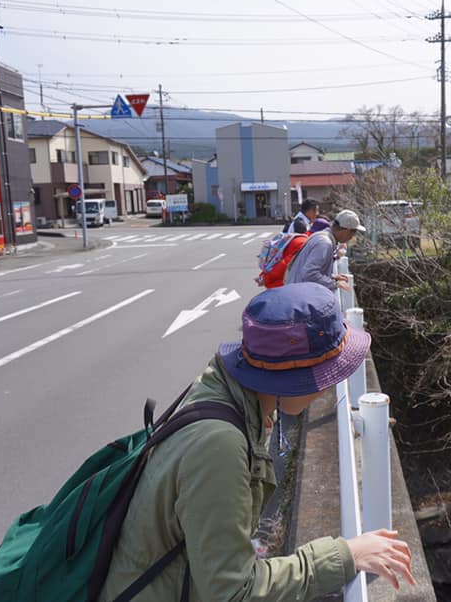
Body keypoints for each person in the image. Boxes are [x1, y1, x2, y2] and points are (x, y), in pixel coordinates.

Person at [99, 283, 415, 601]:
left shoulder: (221, 391)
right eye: (327, 373)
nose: (330, 385)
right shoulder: (219, 446)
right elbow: (233, 591)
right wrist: (345, 555)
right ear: (291, 376)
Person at [284, 209, 365, 292]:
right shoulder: (324, 243)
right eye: (353, 232)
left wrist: (332, 276)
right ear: (346, 231)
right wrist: (334, 284)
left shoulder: (323, 237)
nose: (352, 237)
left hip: (296, 290)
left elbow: (313, 270)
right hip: (299, 296)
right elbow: (309, 273)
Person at [257, 216, 331, 289]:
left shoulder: (299, 237)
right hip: (284, 284)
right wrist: (265, 278)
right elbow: (285, 264)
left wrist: (263, 276)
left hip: (281, 283)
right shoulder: (304, 243)